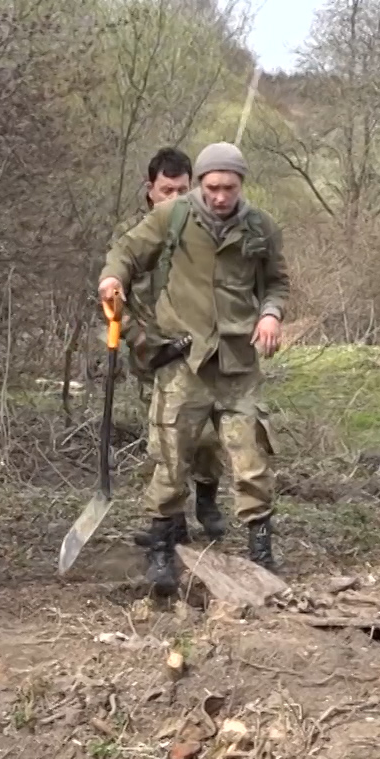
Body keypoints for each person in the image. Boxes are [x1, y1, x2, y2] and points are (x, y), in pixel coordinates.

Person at [99, 141, 290, 594]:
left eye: (229, 187)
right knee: (170, 456)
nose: (220, 196)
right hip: (184, 359)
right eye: (212, 187)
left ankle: (261, 551)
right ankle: (162, 551)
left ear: (241, 184)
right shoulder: (174, 216)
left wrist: (271, 314)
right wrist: (112, 278)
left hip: (238, 362)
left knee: (251, 458)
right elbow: (127, 251)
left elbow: (277, 283)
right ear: (200, 183)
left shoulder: (261, 227)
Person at [119, 147, 229, 547]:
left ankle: (207, 499)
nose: (175, 198)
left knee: (207, 438)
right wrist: (139, 339)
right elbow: (114, 300)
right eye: (167, 190)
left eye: (183, 190)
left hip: (198, 351)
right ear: (150, 189)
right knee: (167, 442)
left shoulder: (204, 229)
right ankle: (171, 522)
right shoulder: (133, 235)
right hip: (153, 353)